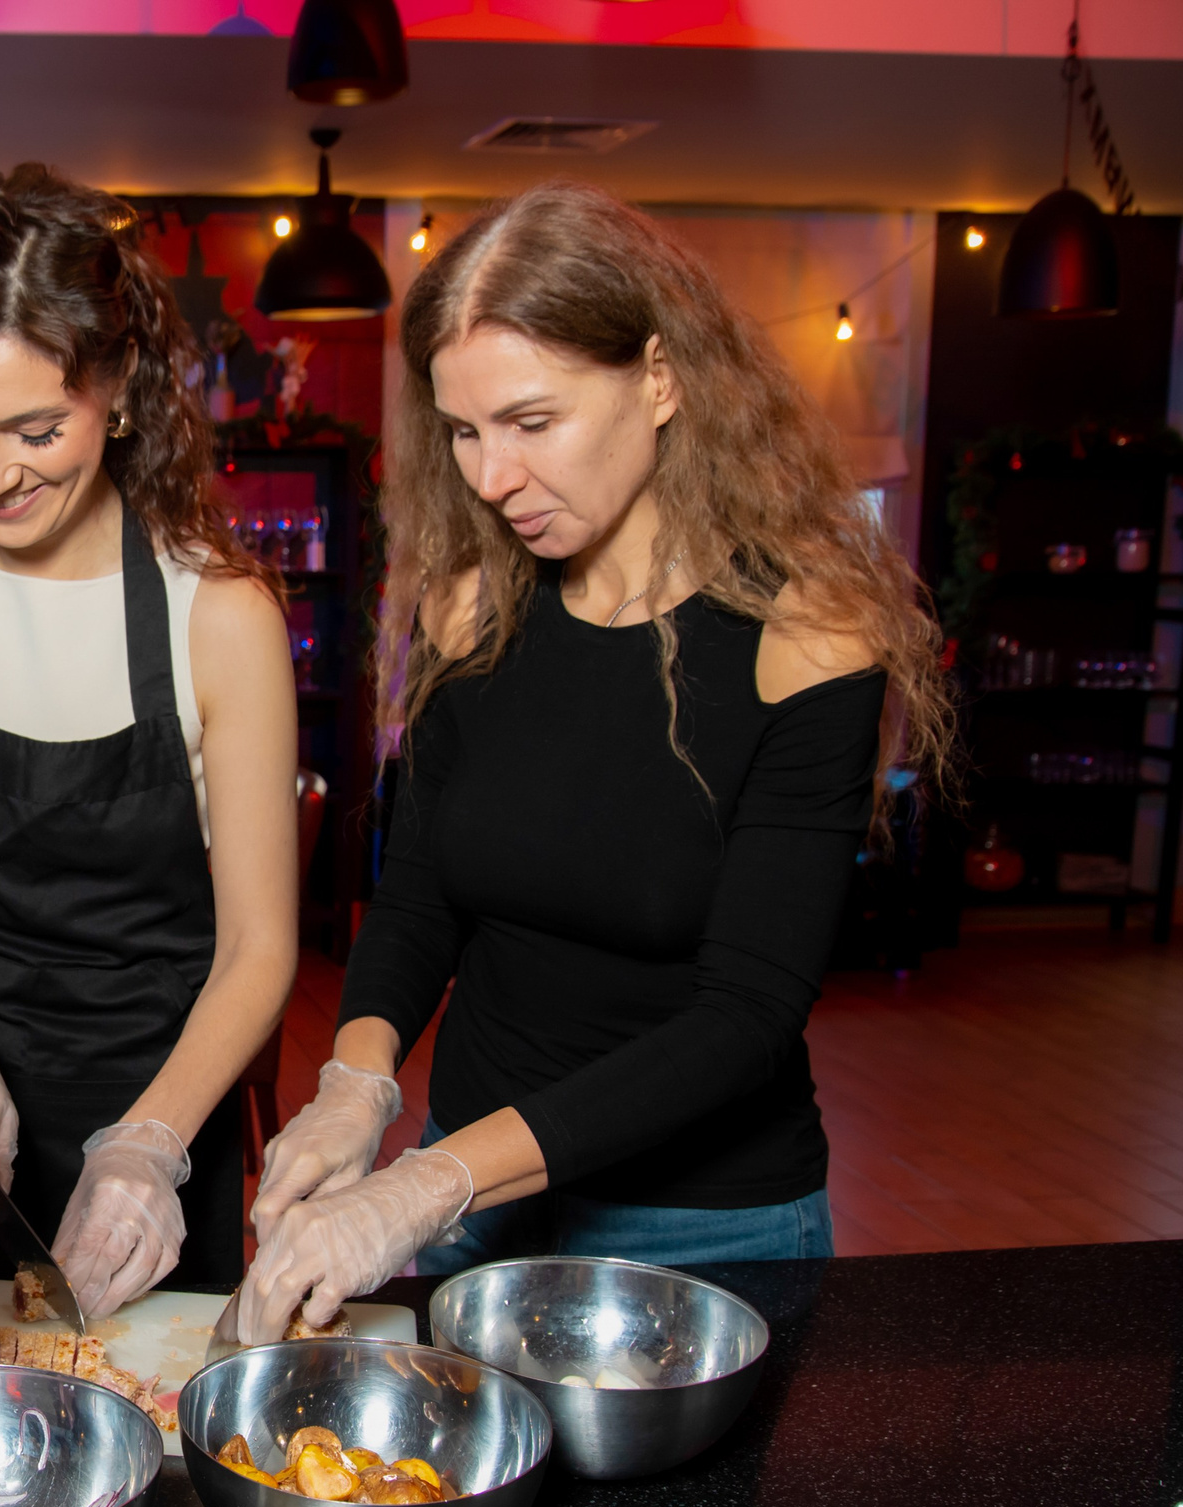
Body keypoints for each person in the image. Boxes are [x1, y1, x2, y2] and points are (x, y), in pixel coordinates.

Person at [228, 182, 953, 1343]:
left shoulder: (804, 633)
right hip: (475, 1202)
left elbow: (744, 1016)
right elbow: (417, 898)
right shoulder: (472, 609)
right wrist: (354, 1087)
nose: (488, 478)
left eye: (530, 421)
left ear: (658, 379)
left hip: (707, 1231)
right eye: (462, 432)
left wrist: (427, 1184)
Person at [0, 165, 301, 1317]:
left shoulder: (218, 614)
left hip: (171, 1103)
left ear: (117, 384)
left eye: (34, 429)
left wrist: (150, 1148)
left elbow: (259, 951)